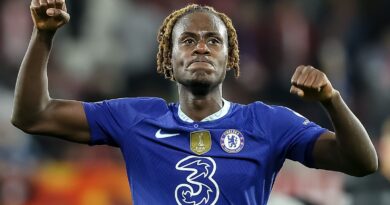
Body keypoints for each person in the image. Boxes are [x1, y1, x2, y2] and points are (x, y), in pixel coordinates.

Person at [11, 0, 378, 204]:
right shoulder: (134, 117)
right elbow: (32, 115)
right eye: (187, 40)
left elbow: (362, 162)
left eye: (213, 41)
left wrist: (332, 100)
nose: (201, 46)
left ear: (229, 58)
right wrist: (43, 35)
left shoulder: (268, 123)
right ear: (168, 59)